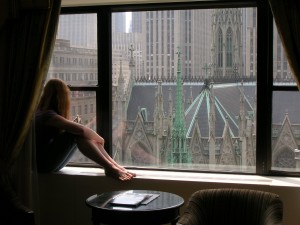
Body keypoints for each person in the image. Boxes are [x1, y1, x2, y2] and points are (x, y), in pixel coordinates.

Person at [35, 78, 135, 181]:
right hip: (43, 165)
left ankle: (114, 166)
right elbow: (81, 130)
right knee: (76, 134)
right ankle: (110, 167)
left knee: (82, 134)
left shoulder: (41, 112)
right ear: (62, 98)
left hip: (44, 163)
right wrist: (100, 139)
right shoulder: (47, 115)